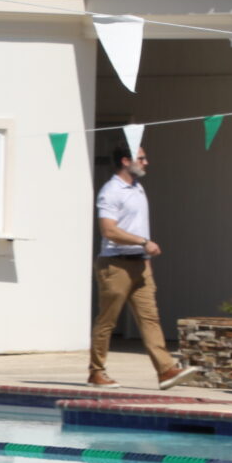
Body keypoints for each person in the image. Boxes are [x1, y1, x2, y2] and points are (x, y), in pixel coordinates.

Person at [89, 142, 199, 389]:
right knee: (107, 320)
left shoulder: (138, 188)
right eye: (142, 158)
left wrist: (145, 259)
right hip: (115, 264)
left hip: (140, 264)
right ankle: (96, 372)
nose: (146, 162)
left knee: (150, 318)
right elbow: (108, 231)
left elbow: (137, 225)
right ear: (126, 161)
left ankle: (166, 370)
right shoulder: (111, 191)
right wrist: (143, 242)